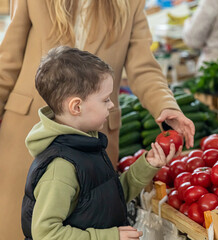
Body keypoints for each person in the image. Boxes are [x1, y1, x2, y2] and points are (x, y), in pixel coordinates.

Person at [0, 0, 194, 238]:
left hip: (93, 134)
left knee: (92, 212)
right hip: (26, 131)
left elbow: (144, 68)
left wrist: (166, 105)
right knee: (21, 226)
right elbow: (7, 61)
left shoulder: (129, 4)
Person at [22, 46, 180, 240]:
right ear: (76, 106)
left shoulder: (86, 143)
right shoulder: (60, 168)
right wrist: (110, 236)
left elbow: (106, 197)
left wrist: (147, 165)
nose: (112, 104)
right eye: (105, 100)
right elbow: (46, 233)